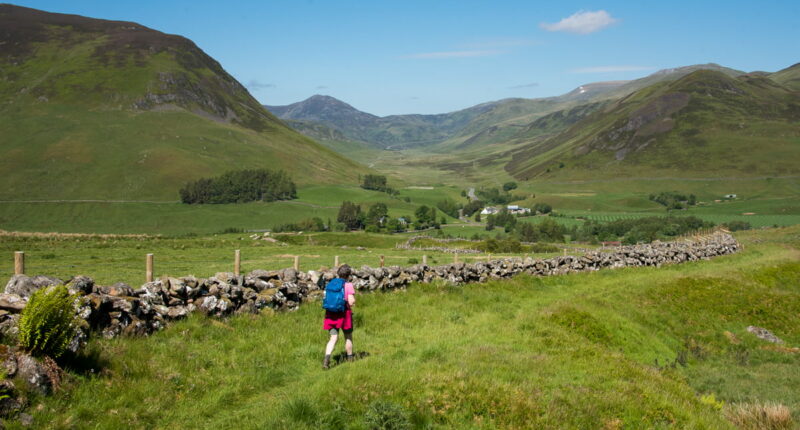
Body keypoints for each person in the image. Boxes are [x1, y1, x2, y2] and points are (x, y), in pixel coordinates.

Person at [322, 264, 356, 369]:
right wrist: (353, 301)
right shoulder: (348, 285)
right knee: (348, 337)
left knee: (333, 338)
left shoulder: (331, 284)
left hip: (331, 314)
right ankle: (350, 359)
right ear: (348, 275)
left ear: (338, 273)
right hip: (344, 314)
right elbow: (351, 302)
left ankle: (326, 361)